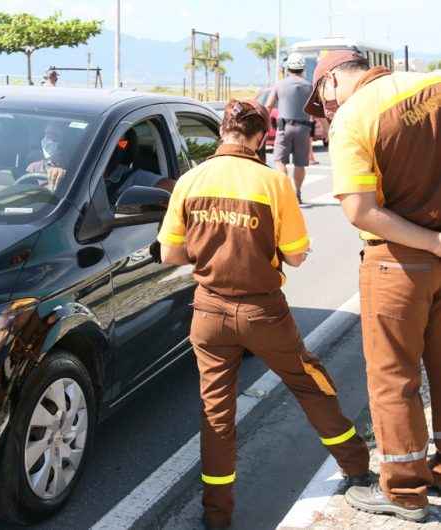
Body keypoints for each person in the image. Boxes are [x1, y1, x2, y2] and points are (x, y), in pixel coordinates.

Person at [158, 99, 370, 530]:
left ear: (223, 133)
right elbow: (294, 257)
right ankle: (356, 467)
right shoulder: (271, 183)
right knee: (309, 384)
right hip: (263, 313)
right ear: (260, 138)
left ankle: (217, 515)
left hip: (208, 312)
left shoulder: (190, 180)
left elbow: (170, 253)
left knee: (215, 412)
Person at [305, 50, 441, 522]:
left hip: (397, 263)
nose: (325, 110)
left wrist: (433, 242)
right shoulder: (433, 84)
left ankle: (405, 492)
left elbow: (362, 210)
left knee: (394, 379)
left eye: (322, 99)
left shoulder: (354, 117)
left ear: (330, 83)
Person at [265, 52, 313, 204]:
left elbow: (268, 106)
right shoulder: (309, 86)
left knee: (280, 161)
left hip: (284, 127)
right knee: (300, 163)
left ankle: (285, 193)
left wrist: (266, 125)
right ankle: (297, 193)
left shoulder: (279, 85)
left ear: (288, 68)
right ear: (303, 69)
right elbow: (316, 111)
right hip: (304, 129)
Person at [104, 127, 174, 202]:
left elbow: (175, 188)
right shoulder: (90, 169)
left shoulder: (133, 178)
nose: (109, 148)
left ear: (126, 149)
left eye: (120, 143)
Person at [26, 122, 69, 192]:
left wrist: (62, 175)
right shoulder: (33, 167)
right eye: (47, 135)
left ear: (62, 142)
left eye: (54, 136)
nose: (49, 140)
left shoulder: (72, 166)